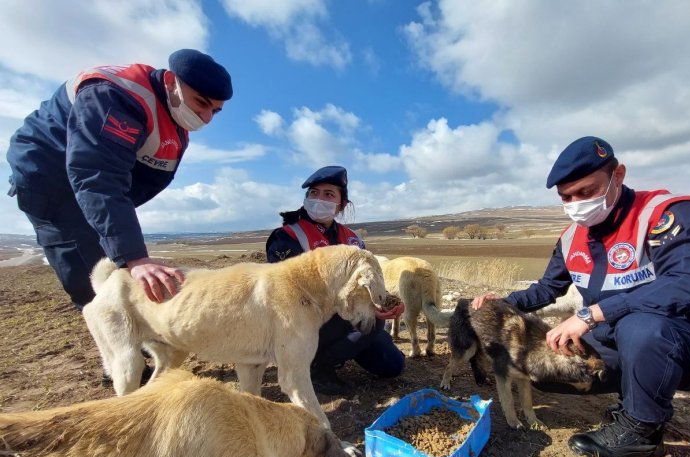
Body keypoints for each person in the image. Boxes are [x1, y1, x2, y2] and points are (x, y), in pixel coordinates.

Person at [473, 136, 690, 457]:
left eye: (586, 192)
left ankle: (640, 433)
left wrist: (593, 314)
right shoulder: (573, 238)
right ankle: (634, 398)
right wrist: (504, 301)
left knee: (638, 325)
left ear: (618, 176)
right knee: (547, 367)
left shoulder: (665, 214)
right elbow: (547, 288)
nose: (576, 203)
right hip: (624, 338)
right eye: (566, 197)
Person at [6, 48, 233, 308]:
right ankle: (123, 341)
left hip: (93, 187)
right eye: (201, 103)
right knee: (94, 278)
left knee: (117, 266)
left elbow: (133, 182)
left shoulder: (173, 115)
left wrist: (120, 243)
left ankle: (142, 338)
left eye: (215, 112)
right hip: (48, 176)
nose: (206, 118)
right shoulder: (116, 97)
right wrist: (134, 257)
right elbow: (97, 175)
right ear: (171, 82)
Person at [266, 165, 406, 396]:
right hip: (305, 322)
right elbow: (287, 295)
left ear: (341, 204)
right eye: (314, 192)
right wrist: (363, 309)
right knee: (371, 322)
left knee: (393, 365)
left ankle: (344, 348)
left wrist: (381, 303)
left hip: (347, 318)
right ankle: (315, 367)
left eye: (329, 194)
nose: (319, 199)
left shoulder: (352, 239)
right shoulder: (288, 237)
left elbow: (366, 281)